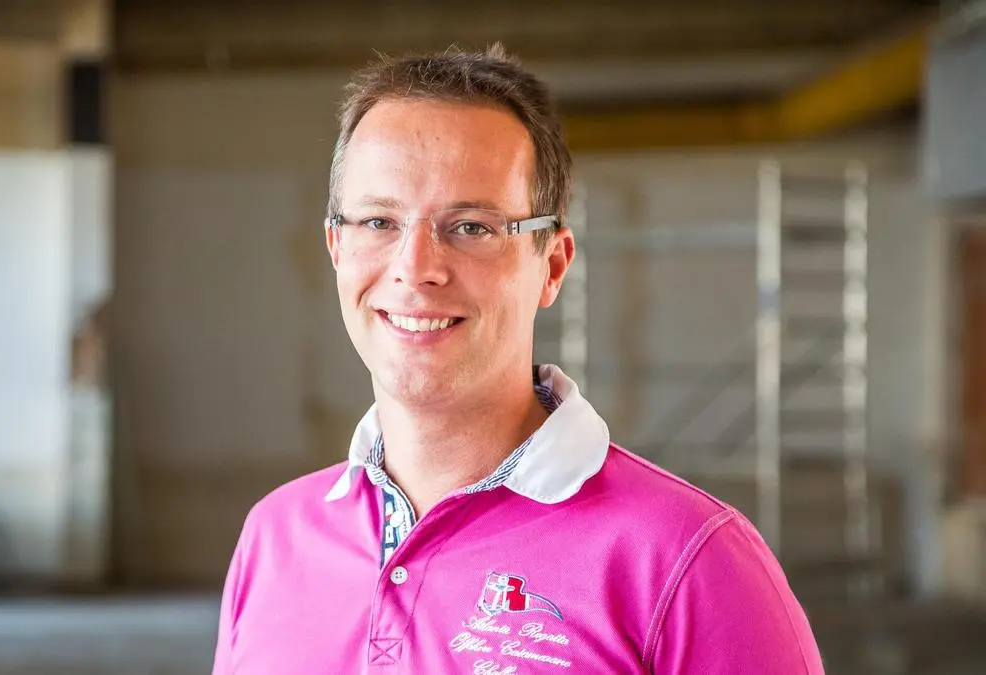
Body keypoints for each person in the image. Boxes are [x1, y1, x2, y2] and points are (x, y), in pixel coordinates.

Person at [212, 44, 825, 674]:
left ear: (552, 265)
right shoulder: (275, 537)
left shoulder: (687, 563)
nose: (415, 269)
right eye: (378, 222)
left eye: (471, 227)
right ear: (336, 248)